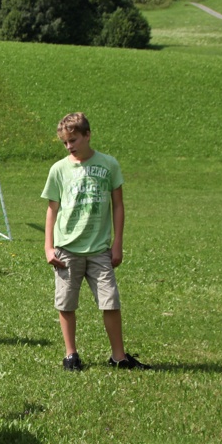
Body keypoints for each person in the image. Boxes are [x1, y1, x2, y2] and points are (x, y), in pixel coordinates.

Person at [42, 112, 149, 371]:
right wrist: (48, 247)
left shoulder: (109, 164)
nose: (69, 146)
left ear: (88, 135)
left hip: (100, 249)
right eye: (65, 142)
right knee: (66, 303)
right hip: (67, 249)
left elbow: (118, 205)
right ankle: (71, 355)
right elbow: (52, 210)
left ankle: (119, 357)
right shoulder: (58, 170)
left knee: (110, 301)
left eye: (73, 140)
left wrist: (117, 243)